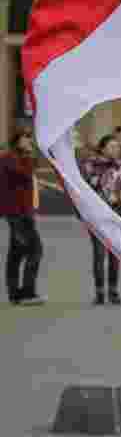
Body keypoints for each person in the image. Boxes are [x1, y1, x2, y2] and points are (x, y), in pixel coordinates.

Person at [80, 133, 121, 306]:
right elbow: (85, 189)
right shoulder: (89, 165)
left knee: (115, 254)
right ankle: (99, 292)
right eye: (112, 147)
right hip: (96, 217)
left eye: (117, 147)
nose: (116, 150)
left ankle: (113, 291)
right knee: (99, 253)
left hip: (116, 215)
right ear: (102, 148)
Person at [1, 128, 46, 306]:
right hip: (17, 214)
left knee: (16, 254)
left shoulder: (17, 158)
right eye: (25, 138)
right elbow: (25, 173)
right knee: (35, 250)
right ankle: (28, 293)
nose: (29, 141)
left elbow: (26, 176)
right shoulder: (9, 159)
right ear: (17, 141)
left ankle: (14, 294)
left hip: (23, 212)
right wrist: (29, 156)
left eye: (29, 138)